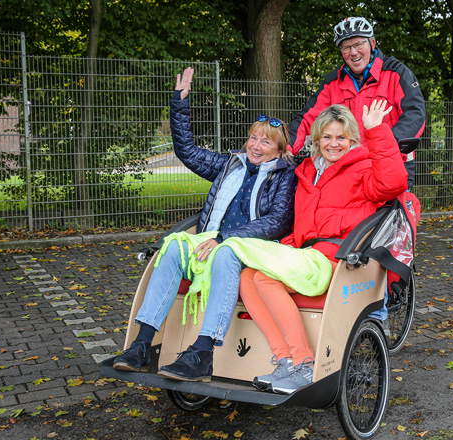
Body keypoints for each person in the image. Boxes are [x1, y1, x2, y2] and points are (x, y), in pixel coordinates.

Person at [112, 67, 297, 381]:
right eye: (253, 137)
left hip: (253, 247)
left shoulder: (285, 175)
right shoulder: (230, 164)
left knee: (226, 253)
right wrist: (180, 102)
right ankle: (142, 345)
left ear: (279, 150)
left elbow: (278, 221)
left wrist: (225, 237)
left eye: (266, 142)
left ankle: (202, 352)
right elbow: (187, 151)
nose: (255, 145)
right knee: (172, 249)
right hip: (214, 238)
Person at [240, 102, 408, 394]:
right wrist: (286, 246)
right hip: (307, 254)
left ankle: (304, 363)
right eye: (327, 137)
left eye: (341, 137)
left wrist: (377, 130)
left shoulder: (363, 167)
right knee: (247, 276)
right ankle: (284, 360)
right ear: (316, 140)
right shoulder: (307, 172)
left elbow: (393, 183)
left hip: (339, 258)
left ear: (352, 139)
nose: (334, 144)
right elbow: (303, 226)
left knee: (266, 279)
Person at [288, 16, 425, 189]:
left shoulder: (396, 73)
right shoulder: (332, 83)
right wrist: (285, 147)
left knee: (390, 215)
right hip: (345, 169)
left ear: (372, 44)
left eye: (359, 44)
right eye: (346, 47)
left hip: (390, 168)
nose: (353, 52)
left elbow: (415, 114)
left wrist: (384, 149)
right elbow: (307, 119)